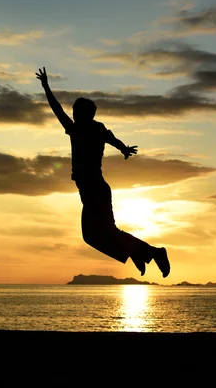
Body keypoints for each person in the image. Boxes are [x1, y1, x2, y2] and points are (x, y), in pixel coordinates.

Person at [36, 67, 170, 278]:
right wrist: (123, 148)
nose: (72, 113)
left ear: (85, 114)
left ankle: (153, 253)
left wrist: (46, 87)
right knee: (94, 236)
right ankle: (137, 252)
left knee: (101, 234)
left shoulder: (81, 129)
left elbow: (57, 110)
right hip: (91, 190)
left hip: (94, 189)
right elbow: (111, 138)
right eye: (73, 110)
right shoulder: (92, 129)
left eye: (75, 110)